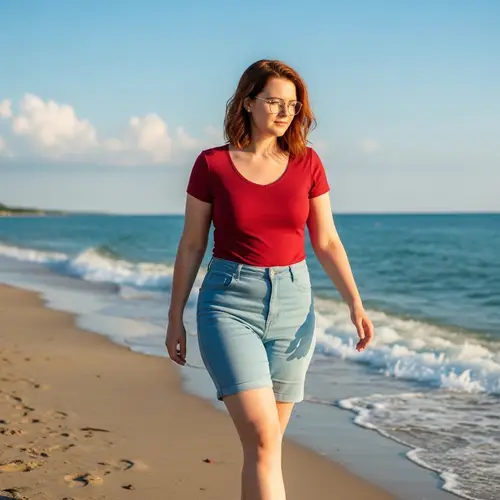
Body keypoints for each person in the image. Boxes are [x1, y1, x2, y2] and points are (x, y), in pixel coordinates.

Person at [165, 59, 374, 500]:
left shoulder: (308, 164)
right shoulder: (213, 165)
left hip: (295, 309)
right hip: (228, 304)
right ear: (247, 102)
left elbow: (327, 242)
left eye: (293, 106)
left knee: (266, 448)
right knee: (262, 438)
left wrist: (354, 303)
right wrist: (174, 318)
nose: (284, 113)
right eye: (274, 102)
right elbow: (191, 246)